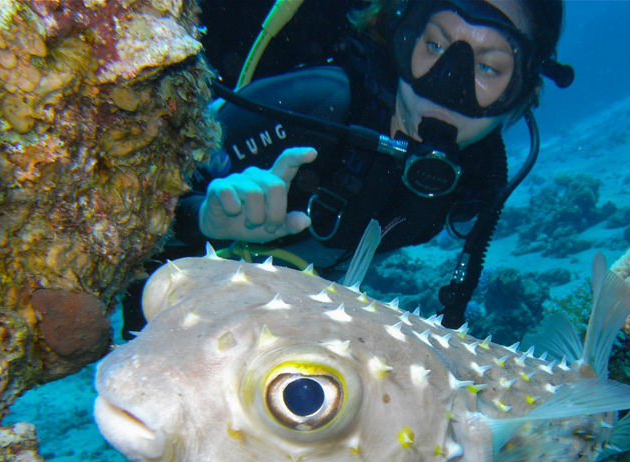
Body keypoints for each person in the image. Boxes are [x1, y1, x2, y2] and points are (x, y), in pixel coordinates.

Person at [123, 0, 572, 337]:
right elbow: (138, 200)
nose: (447, 82)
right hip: (179, 314)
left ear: (521, 91)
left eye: (488, 67)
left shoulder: (481, 176)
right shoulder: (317, 103)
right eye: (434, 44)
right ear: (403, 36)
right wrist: (206, 218)